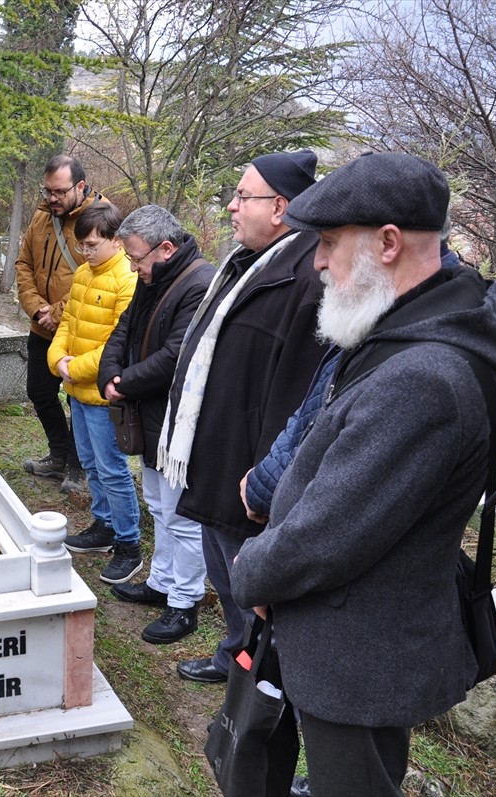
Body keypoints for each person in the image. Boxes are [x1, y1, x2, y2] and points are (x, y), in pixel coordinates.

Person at [230, 152, 496, 795]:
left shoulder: (423, 377)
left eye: (330, 243)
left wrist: (250, 572)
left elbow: (328, 532)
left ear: (388, 243)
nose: (317, 262)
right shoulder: (419, 327)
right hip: (363, 631)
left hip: (358, 650)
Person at [157, 150, 329, 685]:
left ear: (280, 206)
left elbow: (298, 395)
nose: (231, 206)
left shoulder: (305, 276)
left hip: (249, 471)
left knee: (247, 579)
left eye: (241, 195)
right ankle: (236, 654)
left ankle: (255, 675)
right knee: (224, 571)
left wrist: (266, 483)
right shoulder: (247, 263)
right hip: (217, 453)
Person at [97, 205, 216, 644]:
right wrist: (110, 372)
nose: (133, 267)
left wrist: (123, 383)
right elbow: (123, 329)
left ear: (166, 248)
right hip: (150, 413)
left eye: (137, 258)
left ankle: (184, 604)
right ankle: (161, 583)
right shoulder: (154, 277)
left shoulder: (199, 283)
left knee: (182, 516)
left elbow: (176, 355)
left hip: (178, 420)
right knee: (158, 506)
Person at [48, 203, 141, 583]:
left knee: (113, 469)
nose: (84, 252)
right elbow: (67, 323)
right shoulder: (84, 274)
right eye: (81, 245)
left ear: (116, 242)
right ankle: (103, 526)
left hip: (103, 394)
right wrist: (58, 360)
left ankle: (129, 544)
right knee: (89, 463)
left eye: (91, 245)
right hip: (76, 391)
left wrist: (76, 367)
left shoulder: (127, 279)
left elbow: (119, 342)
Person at [15, 155, 108, 494]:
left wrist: (56, 313)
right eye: (47, 190)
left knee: (77, 398)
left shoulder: (101, 219)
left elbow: (101, 276)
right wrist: (37, 308)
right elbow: (23, 264)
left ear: (80, 186)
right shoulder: (42, 216)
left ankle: (77, 465)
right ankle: (58, 454)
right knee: (39, 390)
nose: (51, 198)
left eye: (59, 191)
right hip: (41, 324)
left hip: (83, 327)